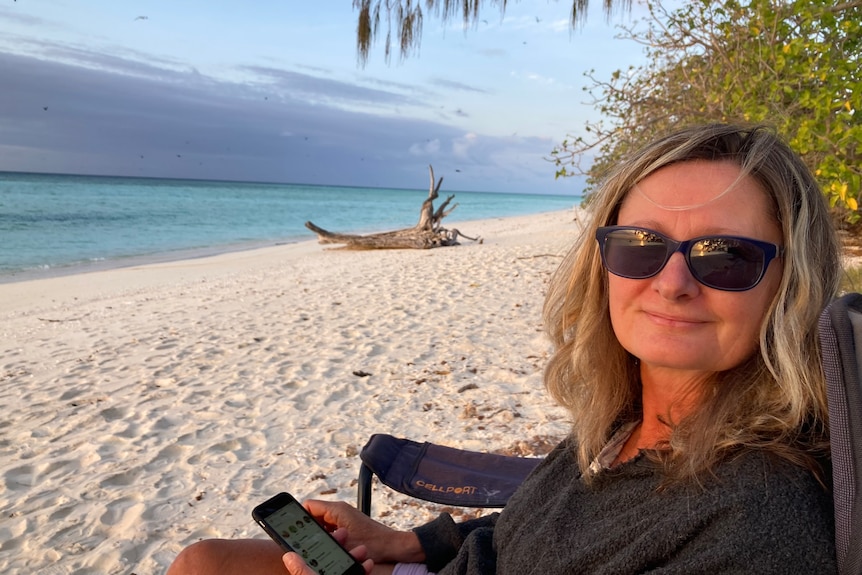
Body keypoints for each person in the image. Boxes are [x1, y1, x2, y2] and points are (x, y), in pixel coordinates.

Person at [167, 124, 840, 574]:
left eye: (723, 255)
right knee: (203, 562)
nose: (671, 282)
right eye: (641, 244)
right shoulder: (628, 416)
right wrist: (404, 541)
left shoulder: (755, 521)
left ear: (789, 286)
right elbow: (536, 526)